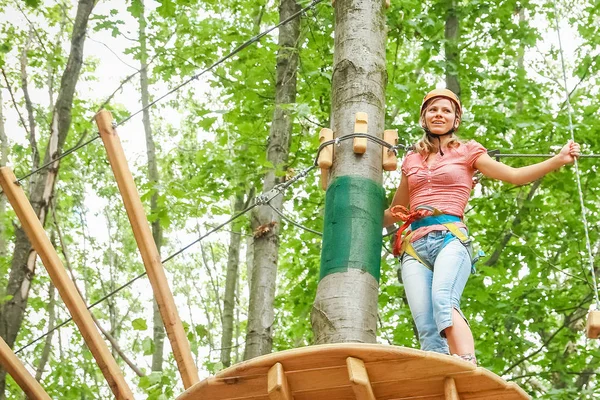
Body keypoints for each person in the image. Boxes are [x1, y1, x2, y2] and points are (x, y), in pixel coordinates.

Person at [383, 88, 580, 365]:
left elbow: (514, 176)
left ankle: (466, 362)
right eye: (433, 110)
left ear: (456, 120)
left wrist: (557, 160)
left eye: (446, 110)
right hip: (414, 247)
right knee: (426, 325)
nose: (439, 114)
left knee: (443, 301)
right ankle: (439, 380)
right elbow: (395, 212)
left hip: (449, 238)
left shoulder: (468, 152)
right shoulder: (411, 161)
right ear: (423, 117)